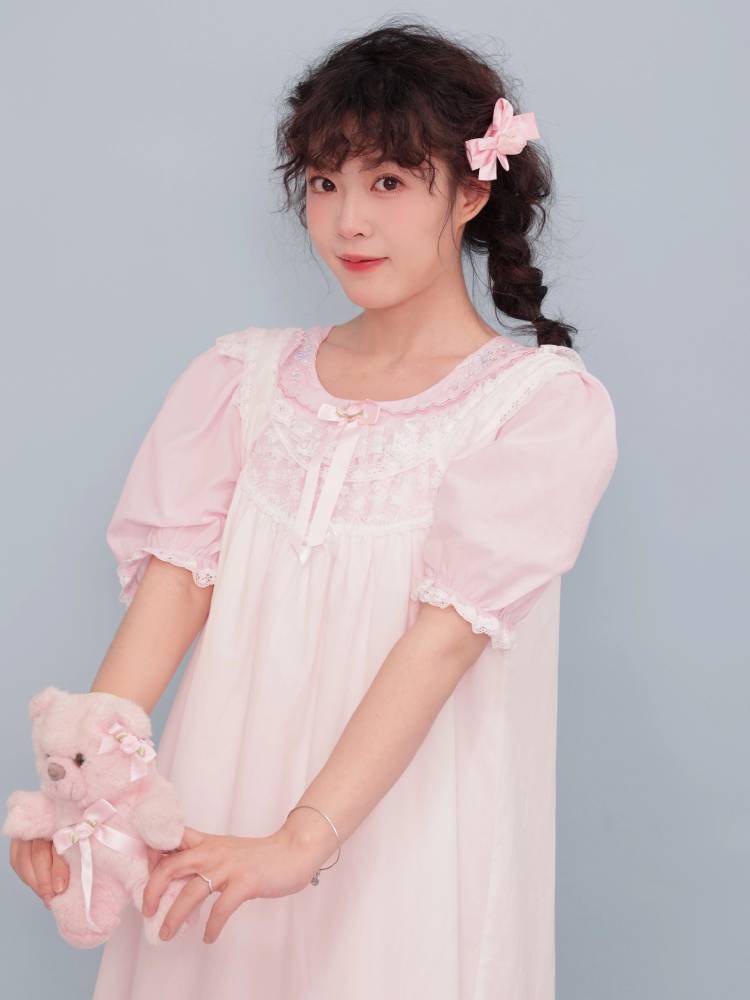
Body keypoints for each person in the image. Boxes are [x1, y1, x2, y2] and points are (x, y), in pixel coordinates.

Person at [10, 19, 618, 999]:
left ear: (471, 190)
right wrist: (82, 804)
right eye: (326, 183)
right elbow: (169, 603)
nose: (348, 222)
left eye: (389, 182)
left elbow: (441, 644)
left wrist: (298, 841)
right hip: (211, 835)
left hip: (405, 839)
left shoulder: (536, 409)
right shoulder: (240, 383)